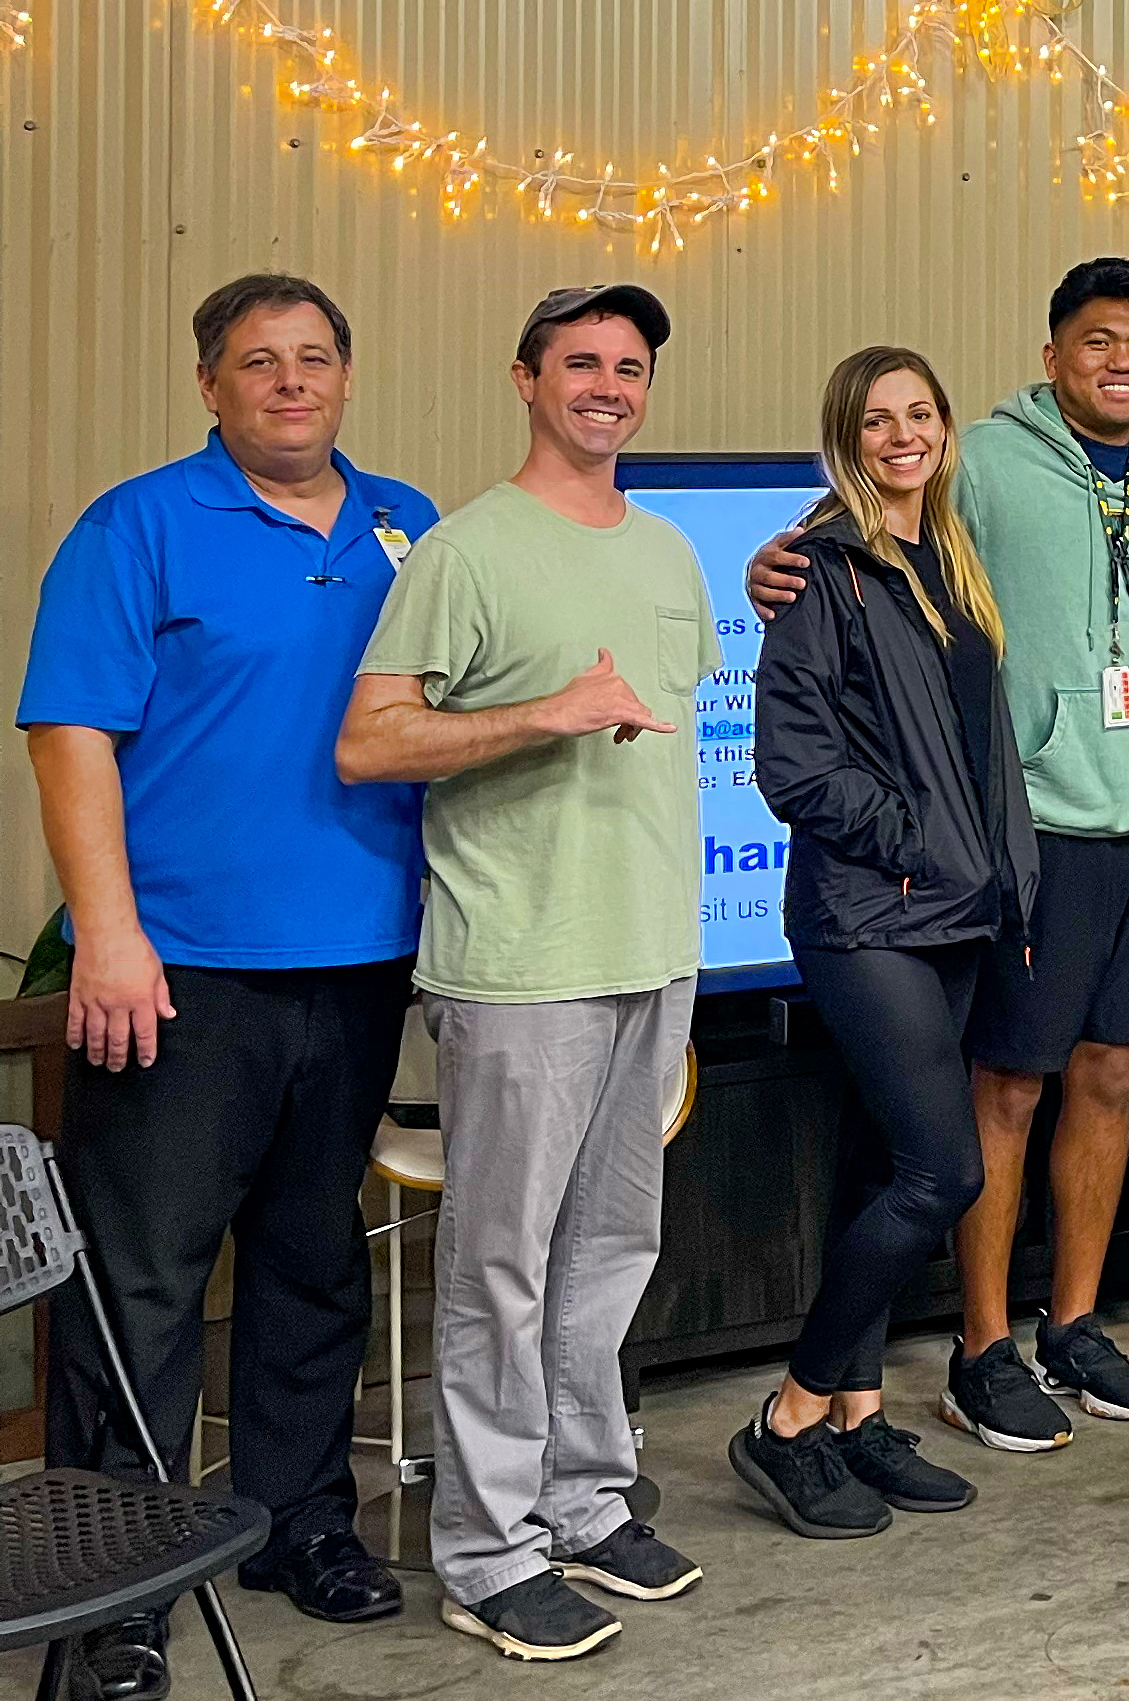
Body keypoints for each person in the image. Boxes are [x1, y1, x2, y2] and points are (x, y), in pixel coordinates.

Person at [18, 274, 428, 1699]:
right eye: (260, 362)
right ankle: (113, 1584)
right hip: (180, 971)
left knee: (314, 1263)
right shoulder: (137, 527)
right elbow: (70, 737)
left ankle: (300, 1522)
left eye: (316, 357)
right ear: (211, 386)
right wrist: (110, 933)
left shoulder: (408, 525)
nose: (291, 382)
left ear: (348, 374)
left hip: (365, 958)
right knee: (141, 1284)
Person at [749, 258, 1129, 1448]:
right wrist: (778, 564)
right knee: (1004, 1089)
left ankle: (1073, 1321)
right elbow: (864, 546)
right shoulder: (986, 465)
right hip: (1023, 833)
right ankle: (983, 1343)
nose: (1123, 362)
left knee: (1110, 1076)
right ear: (1052, 354)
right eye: (1098, 341)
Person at [338, 284, 716, 1661]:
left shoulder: (673, 553)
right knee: (501, 1264)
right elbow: (372, 744)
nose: (608, 384)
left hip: (650, 953)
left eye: (629, 366)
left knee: (612, 1250)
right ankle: (488, 1549)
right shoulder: (467, 549)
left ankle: (585, 1499)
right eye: (582, 363)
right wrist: (545, 713)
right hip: (520, 964)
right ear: (527, 379)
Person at [730, 347, 1039, 1539]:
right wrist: (916, 841)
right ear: (845, 437)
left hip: (955, 910)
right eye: (876, 419)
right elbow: (790, 765)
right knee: (941, 1172)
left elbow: (978, 746)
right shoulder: (821, 568)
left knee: (877, 1164)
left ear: (945, 429)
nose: (901, 434)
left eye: (919, 414)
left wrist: (999, 873)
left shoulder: (946, 563)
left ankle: (858, 1412)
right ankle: (792, 1413)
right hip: (869, 915)